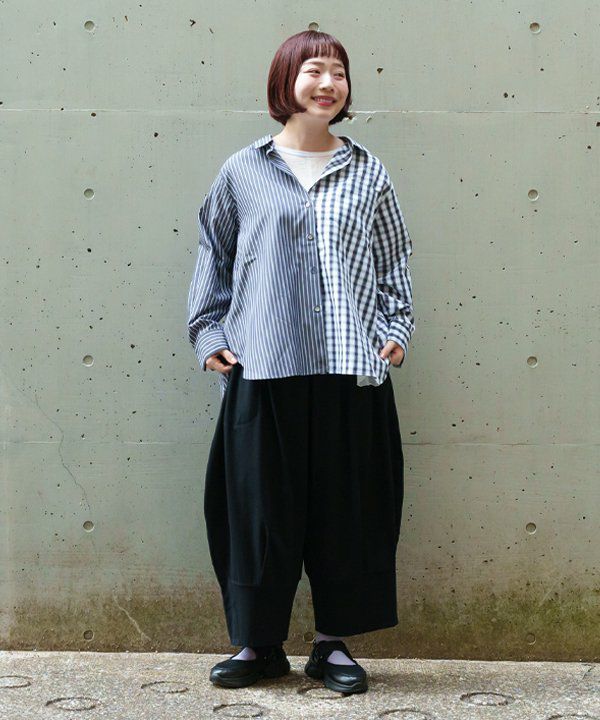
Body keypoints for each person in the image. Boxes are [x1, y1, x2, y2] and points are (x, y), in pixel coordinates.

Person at [187, 29, 415, 695]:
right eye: (314, 70)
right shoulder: (244, 171)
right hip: (263, 368)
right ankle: (259, 646)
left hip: (352, 371)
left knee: (349, 512)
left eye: (338, 72)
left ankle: (331, 645)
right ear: (285, 81)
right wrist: (208, 334)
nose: (328, 83)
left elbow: (394, 260)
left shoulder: (368, 172)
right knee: (259, 515)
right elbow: (214, 254)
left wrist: (396, 329)